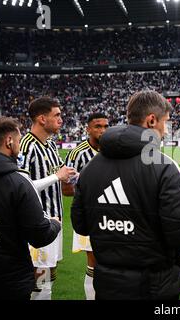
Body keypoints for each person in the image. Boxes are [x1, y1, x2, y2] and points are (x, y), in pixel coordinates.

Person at [71, 90, 180, 300]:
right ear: (152, 120)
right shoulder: (164, 168)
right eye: (166, 123)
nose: (167, 131)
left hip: (108, 284)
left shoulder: (90, 168)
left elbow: (80, 225)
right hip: (155, 286)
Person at [0, 116, 61, 300]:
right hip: (9, 281)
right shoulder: (19, 181)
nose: (19, 145)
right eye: (19, 140)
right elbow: (39, 235)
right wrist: (54, 224)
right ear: (9, 141)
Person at [18, 97, 76, 300]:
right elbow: (21, 186)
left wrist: (74, 176)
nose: (61, 119)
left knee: (49, 273)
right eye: (57, 115)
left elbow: (62, 173)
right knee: (39, 277)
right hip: (37, 221)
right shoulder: (25, 145)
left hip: (55, 220)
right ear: (42, 118)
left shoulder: (50, 145)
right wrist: (56, 177)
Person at [62, 112, 109, 300]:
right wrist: (90, 194)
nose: (103, 130)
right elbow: (65, 189)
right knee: (94, 263)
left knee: (109, 263)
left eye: (106, 126)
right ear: (88, 129)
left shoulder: (111, 149)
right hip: (89, 215)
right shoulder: (78, 153)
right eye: (98, 126)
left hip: (112, 216)